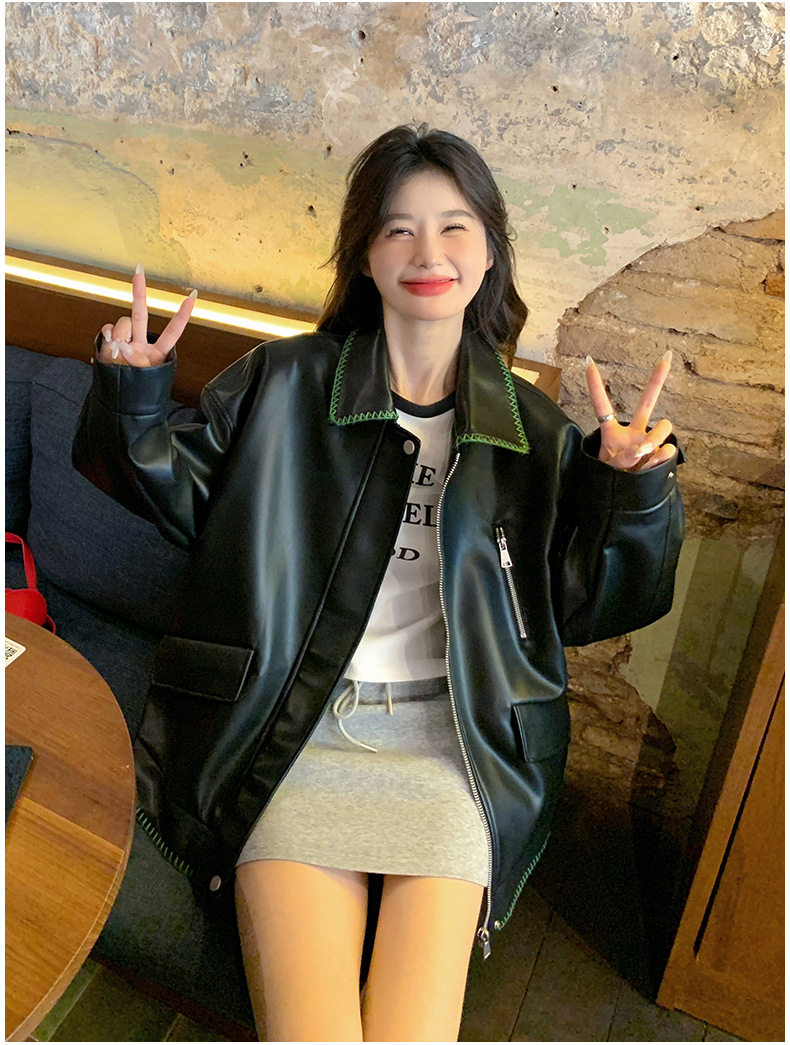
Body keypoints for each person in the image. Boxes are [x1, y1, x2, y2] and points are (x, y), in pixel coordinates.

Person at [74, 124, 683, 1042]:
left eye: (454, 227)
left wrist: (630, 492)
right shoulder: (284, 382)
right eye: (399, 229)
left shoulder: (532, 431)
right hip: (293, 732)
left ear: (490, 252)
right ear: (365, 254)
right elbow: (176, 495)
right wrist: (133, 392)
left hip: (454, 752)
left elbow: (594, 607)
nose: (428, 253)